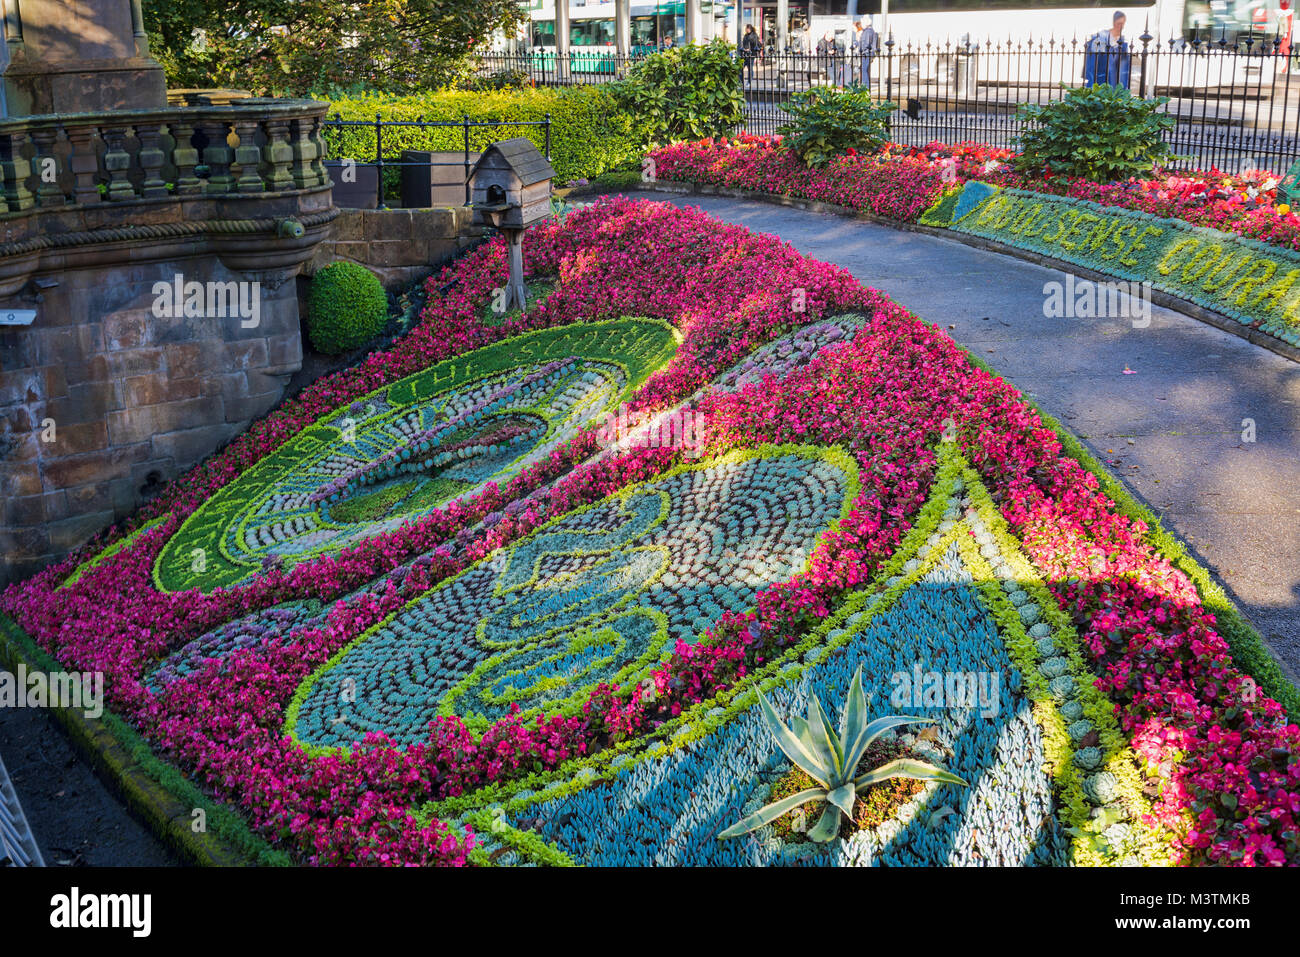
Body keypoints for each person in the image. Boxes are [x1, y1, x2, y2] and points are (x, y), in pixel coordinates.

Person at [1083, 11, 1131, 88]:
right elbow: (1093, 62)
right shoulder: (1101, 38)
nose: (1121, 26)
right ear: (1114, 22)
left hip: (1115, 81)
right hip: (1100, 80)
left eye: (1123, 23)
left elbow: (1123, 66)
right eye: (1119, 23)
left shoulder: (1121, 41)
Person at [855, 16, 878, 88]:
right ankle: (865, 87)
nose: (861, 24)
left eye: (862, 23)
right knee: (864, 71)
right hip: (866, 53)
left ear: (865, 23)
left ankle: (866, 87)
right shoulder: (868, 31)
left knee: (864, 71)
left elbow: (866, 44)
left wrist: (860, 48)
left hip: (866, 53)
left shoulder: (868, 31)